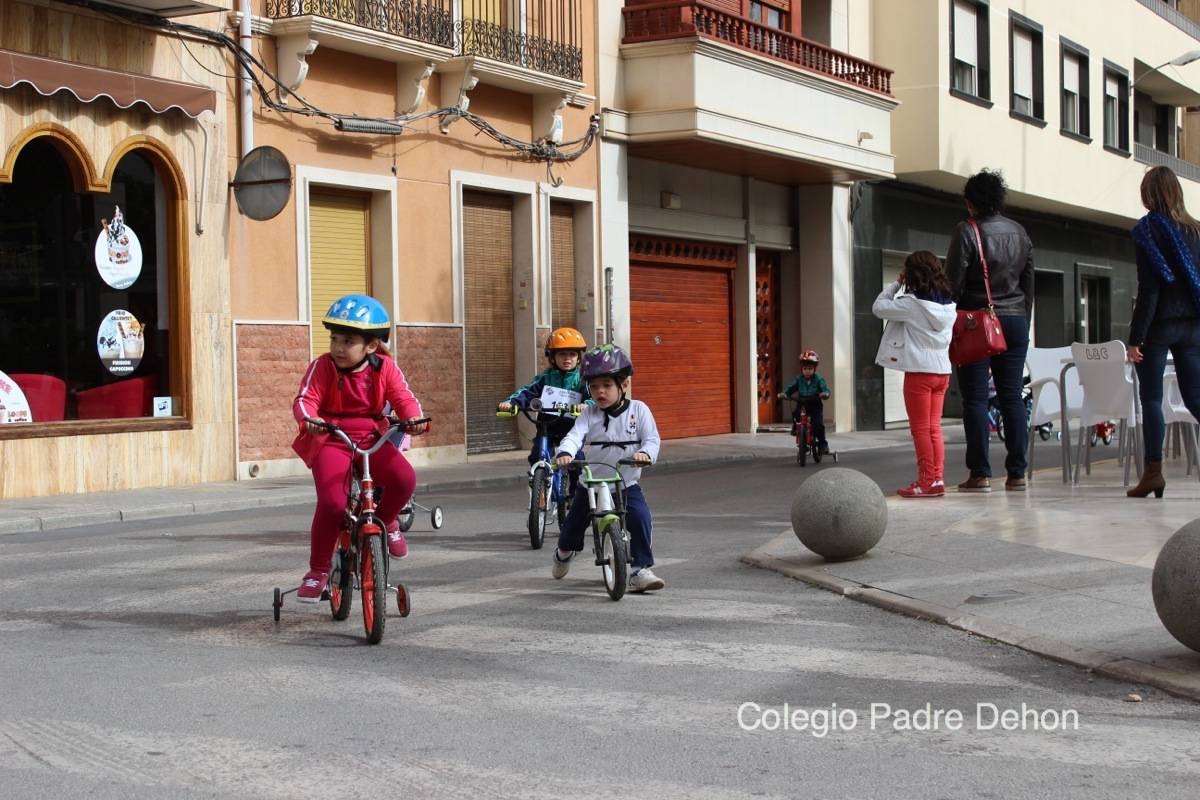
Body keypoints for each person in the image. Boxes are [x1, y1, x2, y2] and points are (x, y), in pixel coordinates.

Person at [291, 294, 428, 603]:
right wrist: (310, 419)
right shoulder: (322, 366)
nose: (338, 347)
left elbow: (403, 396)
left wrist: (414, 419)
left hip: (371, 436)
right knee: (332, 504)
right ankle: (318, 571)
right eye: (334, 339)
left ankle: (387, 519)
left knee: (404, 479)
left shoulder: (385, 367)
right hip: (331, 437)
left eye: (348, 341)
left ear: (371, 345)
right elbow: (305, 399)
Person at [945, 168, 1034, 492]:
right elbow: (1028, 285)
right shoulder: (1020, 232)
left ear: (970, 202)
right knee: (1011, 396)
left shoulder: (966, 230)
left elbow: (952, 284)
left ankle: (980, 473)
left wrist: (950, 319)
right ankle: (1017, 473)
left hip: (977, 322)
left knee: (975, 400)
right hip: (1016, 320)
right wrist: (1022, 319)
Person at [551, 344, 664, 593]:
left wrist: (646, 454)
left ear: (624, 385)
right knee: (572, 528)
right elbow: (574, 436)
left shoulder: (639, 410)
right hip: (591, 484)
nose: (599, 391)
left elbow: (652, 440)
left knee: (641, 518)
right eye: (593, 386)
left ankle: (640, 569)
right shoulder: (588, 414)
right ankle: (563, 553)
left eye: (606, 385)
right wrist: (565, 453)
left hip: (625, 483)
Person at [1127, 166, 1200, 498]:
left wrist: (1136, 338)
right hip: (1193, 325)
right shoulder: (1195, 230)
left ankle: (1153, 473)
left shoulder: (1148, 230)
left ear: (1148, 194)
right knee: (1195, 397)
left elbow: (1150, 289)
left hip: (1159, 327)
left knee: (1152, 398)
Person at [873, 251, 957, 497]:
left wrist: (896, 284)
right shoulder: (949, 305)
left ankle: (925, 481)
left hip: (919, 372)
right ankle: (937, 479)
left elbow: (878, 307)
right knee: (934, 428)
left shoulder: (911, 305)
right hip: (942, 372)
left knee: (920, 429)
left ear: (912, 274)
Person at [497, 326, 590, 467]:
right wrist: (511, 402)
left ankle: (575, 482)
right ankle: (538, 478)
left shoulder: (582, 380)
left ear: (578, 358)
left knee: (575, 461)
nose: (567, 358)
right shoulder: (545, 378)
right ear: (552, 357)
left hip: (572, 429)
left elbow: (593, 398)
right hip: (547, 428)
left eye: (572, 354)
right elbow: (527, 392)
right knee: (537, 456)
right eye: (562, 354)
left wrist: (586, 405)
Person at [778, 350, 830, 453]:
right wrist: (784, 393)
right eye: (805, 369)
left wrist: (825, 393)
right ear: (801, 369)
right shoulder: (799, 379)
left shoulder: (819, 379)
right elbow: (790, 387)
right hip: (802, 403)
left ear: (814, 369)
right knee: (796, 414)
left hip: (815, 404)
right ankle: (800, 437)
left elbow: (825, 389)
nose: (807, 371)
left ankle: (823, 444)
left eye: (810, 369)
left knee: (818, 424)